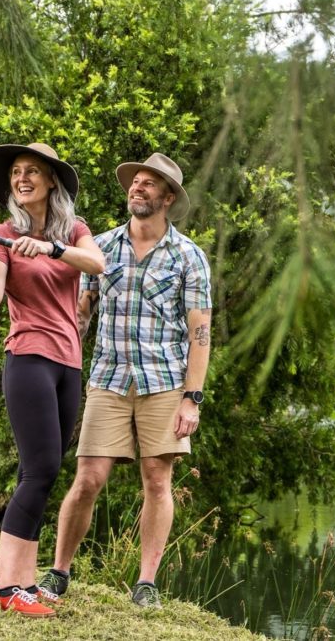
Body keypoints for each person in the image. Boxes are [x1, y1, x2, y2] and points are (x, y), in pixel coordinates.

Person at [0, 142, 105, 618]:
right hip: (28, 357)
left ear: (52, 181)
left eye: (33, 171)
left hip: (68, 364)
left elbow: (98, 264)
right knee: (42, 469)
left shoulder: (75, 230)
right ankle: (6, 586)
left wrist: (52, 247)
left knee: (34, 472)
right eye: (16, 172)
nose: (23, 177)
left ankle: (25, 582)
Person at [39, 152, 212, 609]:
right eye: (135, 182)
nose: (138, 188)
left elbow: (201, 333)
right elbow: (79, 313)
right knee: (88, 477)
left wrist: (191, 398)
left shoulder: (189, 256)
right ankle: (59, 572)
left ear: (168, 197)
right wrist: (55, 354)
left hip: (163, 383)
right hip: (108, 380)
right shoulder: (101, 248)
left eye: (149, 184)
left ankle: (146, 583)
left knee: (157, 480)